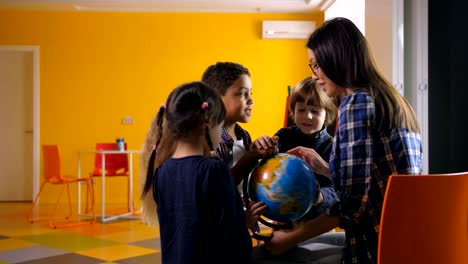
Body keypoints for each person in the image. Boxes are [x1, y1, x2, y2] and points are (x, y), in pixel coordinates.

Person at [265, 17, 423, 264]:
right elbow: (372, 187)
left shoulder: (356, 105)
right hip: (405, 242)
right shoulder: (395, 102)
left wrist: (289, 239)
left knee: (266, 256)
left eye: (317, 65)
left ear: (336, 59)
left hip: (372, 249)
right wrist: (325, 168)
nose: (315, 75)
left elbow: (351, 206)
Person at [141, 81, 252, 264]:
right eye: (220, 125)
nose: (221, 132)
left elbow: (188, 230)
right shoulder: (213, 170)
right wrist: (244, 222)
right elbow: (233, 241)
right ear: (205, 124)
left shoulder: (162, 172)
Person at [252, 77, 344, 264]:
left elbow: (337, 191)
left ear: (327, 114)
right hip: (284, 222)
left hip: (318, 223)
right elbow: (267, 170)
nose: (307, 116)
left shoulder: (332, 147)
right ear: (292, 112)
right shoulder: (284, 136)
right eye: (301, 110)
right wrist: (263, 149)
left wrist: (320, 197)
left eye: (315, 111)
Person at [201, 62, 275, 230]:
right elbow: (219, 187)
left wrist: (265, 155)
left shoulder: (244, 136)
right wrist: (250, 157)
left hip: (244, 225)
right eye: (242, 94)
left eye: (251, 93)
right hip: (222, 229)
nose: (251, 100)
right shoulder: (208, 142)